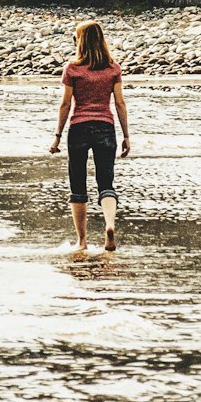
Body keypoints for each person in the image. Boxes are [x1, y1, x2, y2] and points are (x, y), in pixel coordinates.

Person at [50, 19, 130, 253]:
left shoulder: (72, 68)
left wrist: (57, 136)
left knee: (78, 186)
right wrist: (126, 136)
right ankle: (109, 225)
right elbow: (120, 103)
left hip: (79, 129)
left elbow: (65, 104)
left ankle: (82, 242)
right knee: (106, 182)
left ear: (80, 41)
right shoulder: (113, 68)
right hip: (105, 126)